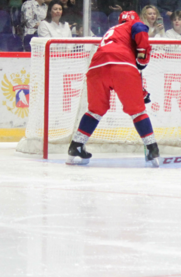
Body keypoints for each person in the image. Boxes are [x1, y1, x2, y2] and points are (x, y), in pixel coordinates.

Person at [67, 9, 161, 166]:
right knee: (137, 111)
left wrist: (140, 90)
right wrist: (142, 59)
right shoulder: (134, 24)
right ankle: (152, 149)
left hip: (96, 68)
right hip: (122, 66)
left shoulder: (112, 31)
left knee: (95, 110)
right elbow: (139, 31)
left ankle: (75, 146)